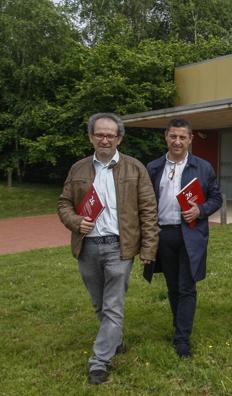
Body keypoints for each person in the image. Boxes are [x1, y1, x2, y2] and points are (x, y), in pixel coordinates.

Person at [57, 113, 159, 385]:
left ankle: (99, 362)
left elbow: (149, 211)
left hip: (119, 247)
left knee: (113, 306)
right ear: (91, 137)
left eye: (110, 135)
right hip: (87, 247)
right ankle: (115, 340)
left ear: (119, 138)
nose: (104, 139)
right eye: (99, 134)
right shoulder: (78, 169)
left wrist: (148, 249)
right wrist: (77, 222)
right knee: (99, 303)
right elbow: (63, 204)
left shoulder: (135, 168)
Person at [144, 118, 223, 358]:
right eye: (173, 136)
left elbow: (216, 198)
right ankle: (179, 325)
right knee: (172, 287)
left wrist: (201, 210)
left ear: (190, 139)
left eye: (182, 137)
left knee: (187, 287)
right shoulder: (154, 167)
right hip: (164, 234)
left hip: (190, 233)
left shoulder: (203, 167)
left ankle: (182, 339)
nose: (177, 141)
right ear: (166, 137)